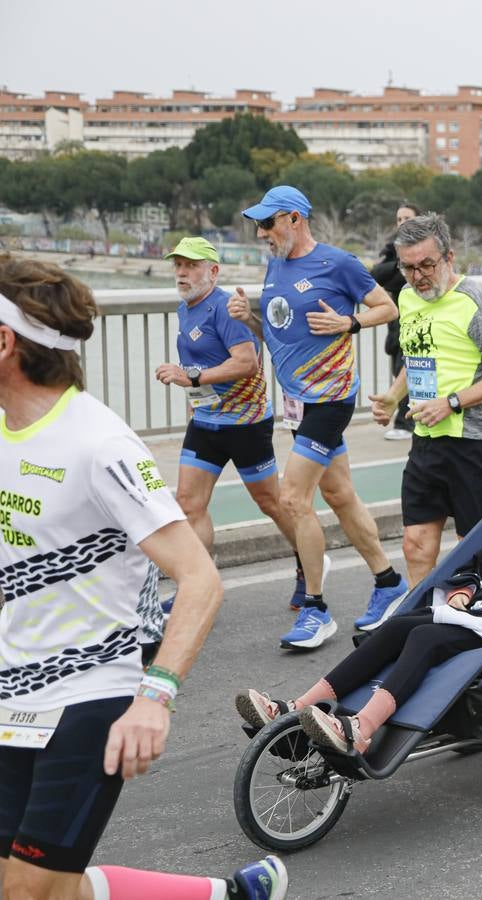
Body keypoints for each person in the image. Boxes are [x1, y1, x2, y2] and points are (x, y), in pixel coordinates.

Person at [0, 256, 286, 900]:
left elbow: (199, 578)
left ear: (5, 342)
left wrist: (153, 697)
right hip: (12, 689)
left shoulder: (99, 446)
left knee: (28, 892)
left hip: (89, 695)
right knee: (27, 887)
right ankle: (226, 896)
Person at [234, 448, 482, 754]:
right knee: (397, 626)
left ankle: (361, 729)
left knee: (424, 638)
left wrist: (479, 603)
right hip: (475, 619)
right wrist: (463, 592)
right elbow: (478, 568)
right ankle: (297, 709)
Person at [228, 185, 408, 649]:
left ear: (294, 218)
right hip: (296, 404)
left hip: (330, 400)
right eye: (258, 225)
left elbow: (388, 306)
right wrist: (244, 319)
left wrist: (349, 323)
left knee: (292, 499)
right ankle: (389, 584)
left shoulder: (337, 263)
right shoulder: (275, 265)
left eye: (267, 223)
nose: (261, 233)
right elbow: (278, 333)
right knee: (341, 494)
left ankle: (315, 608)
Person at [368, 214, 482, 593]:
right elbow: (419, 356)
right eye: (408, 267)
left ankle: (476, 625)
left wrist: (452, 403)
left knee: (474, 549)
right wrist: (393, 396)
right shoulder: (408, 297)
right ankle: (417, 619)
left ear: (449, 257)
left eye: (427, 264)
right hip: (425, 439)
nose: (418, 275)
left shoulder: (475, 301)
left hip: (473, 444)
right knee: (415, 543)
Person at [152, 237, 292, 577]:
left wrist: (191, 377)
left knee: (271, 503)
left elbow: (246, 363)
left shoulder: (226, 308)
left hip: (246, 425)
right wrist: (194, 398)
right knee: (189, 504)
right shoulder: (185, 308)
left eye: (191, 266)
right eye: (178, 265)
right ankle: (201, 583)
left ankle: (309, 562)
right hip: (206, 422)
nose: (182, 273)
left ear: (213, 271)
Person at [370, 202, 420, 440]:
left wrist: (399, 271)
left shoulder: (426, 251)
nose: (402, 223)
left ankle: (405, 421)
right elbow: (377, 276)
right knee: (398, 367)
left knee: (411, 365)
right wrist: (399, 266)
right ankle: (408, 416)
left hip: (419, 317)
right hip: (397, 319)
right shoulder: (393, 249)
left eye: (407, 218)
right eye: (399, 219)